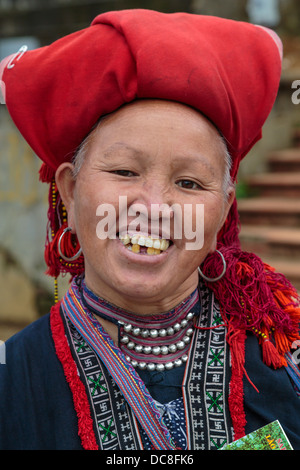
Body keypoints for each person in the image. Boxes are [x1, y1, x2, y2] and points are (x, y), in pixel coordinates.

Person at [0, 9, 299, 451]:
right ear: (70, 189)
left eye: (189, 183)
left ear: (223, 211)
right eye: (123, 171)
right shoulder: (12, 380)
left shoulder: (286, 357)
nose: (155, 207)